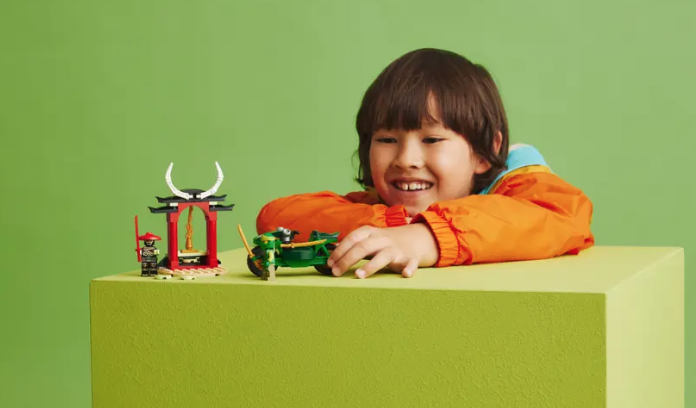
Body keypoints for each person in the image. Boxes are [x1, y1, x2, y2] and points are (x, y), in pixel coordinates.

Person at [255, 47, 594, 279]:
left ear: (483, 151)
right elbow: (276, 218)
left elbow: (564, 216)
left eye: (432, 140)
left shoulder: (523, 187)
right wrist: (390, 226)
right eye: (387, 140)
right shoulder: (384, 206)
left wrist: (426, 237)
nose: (406, 160)